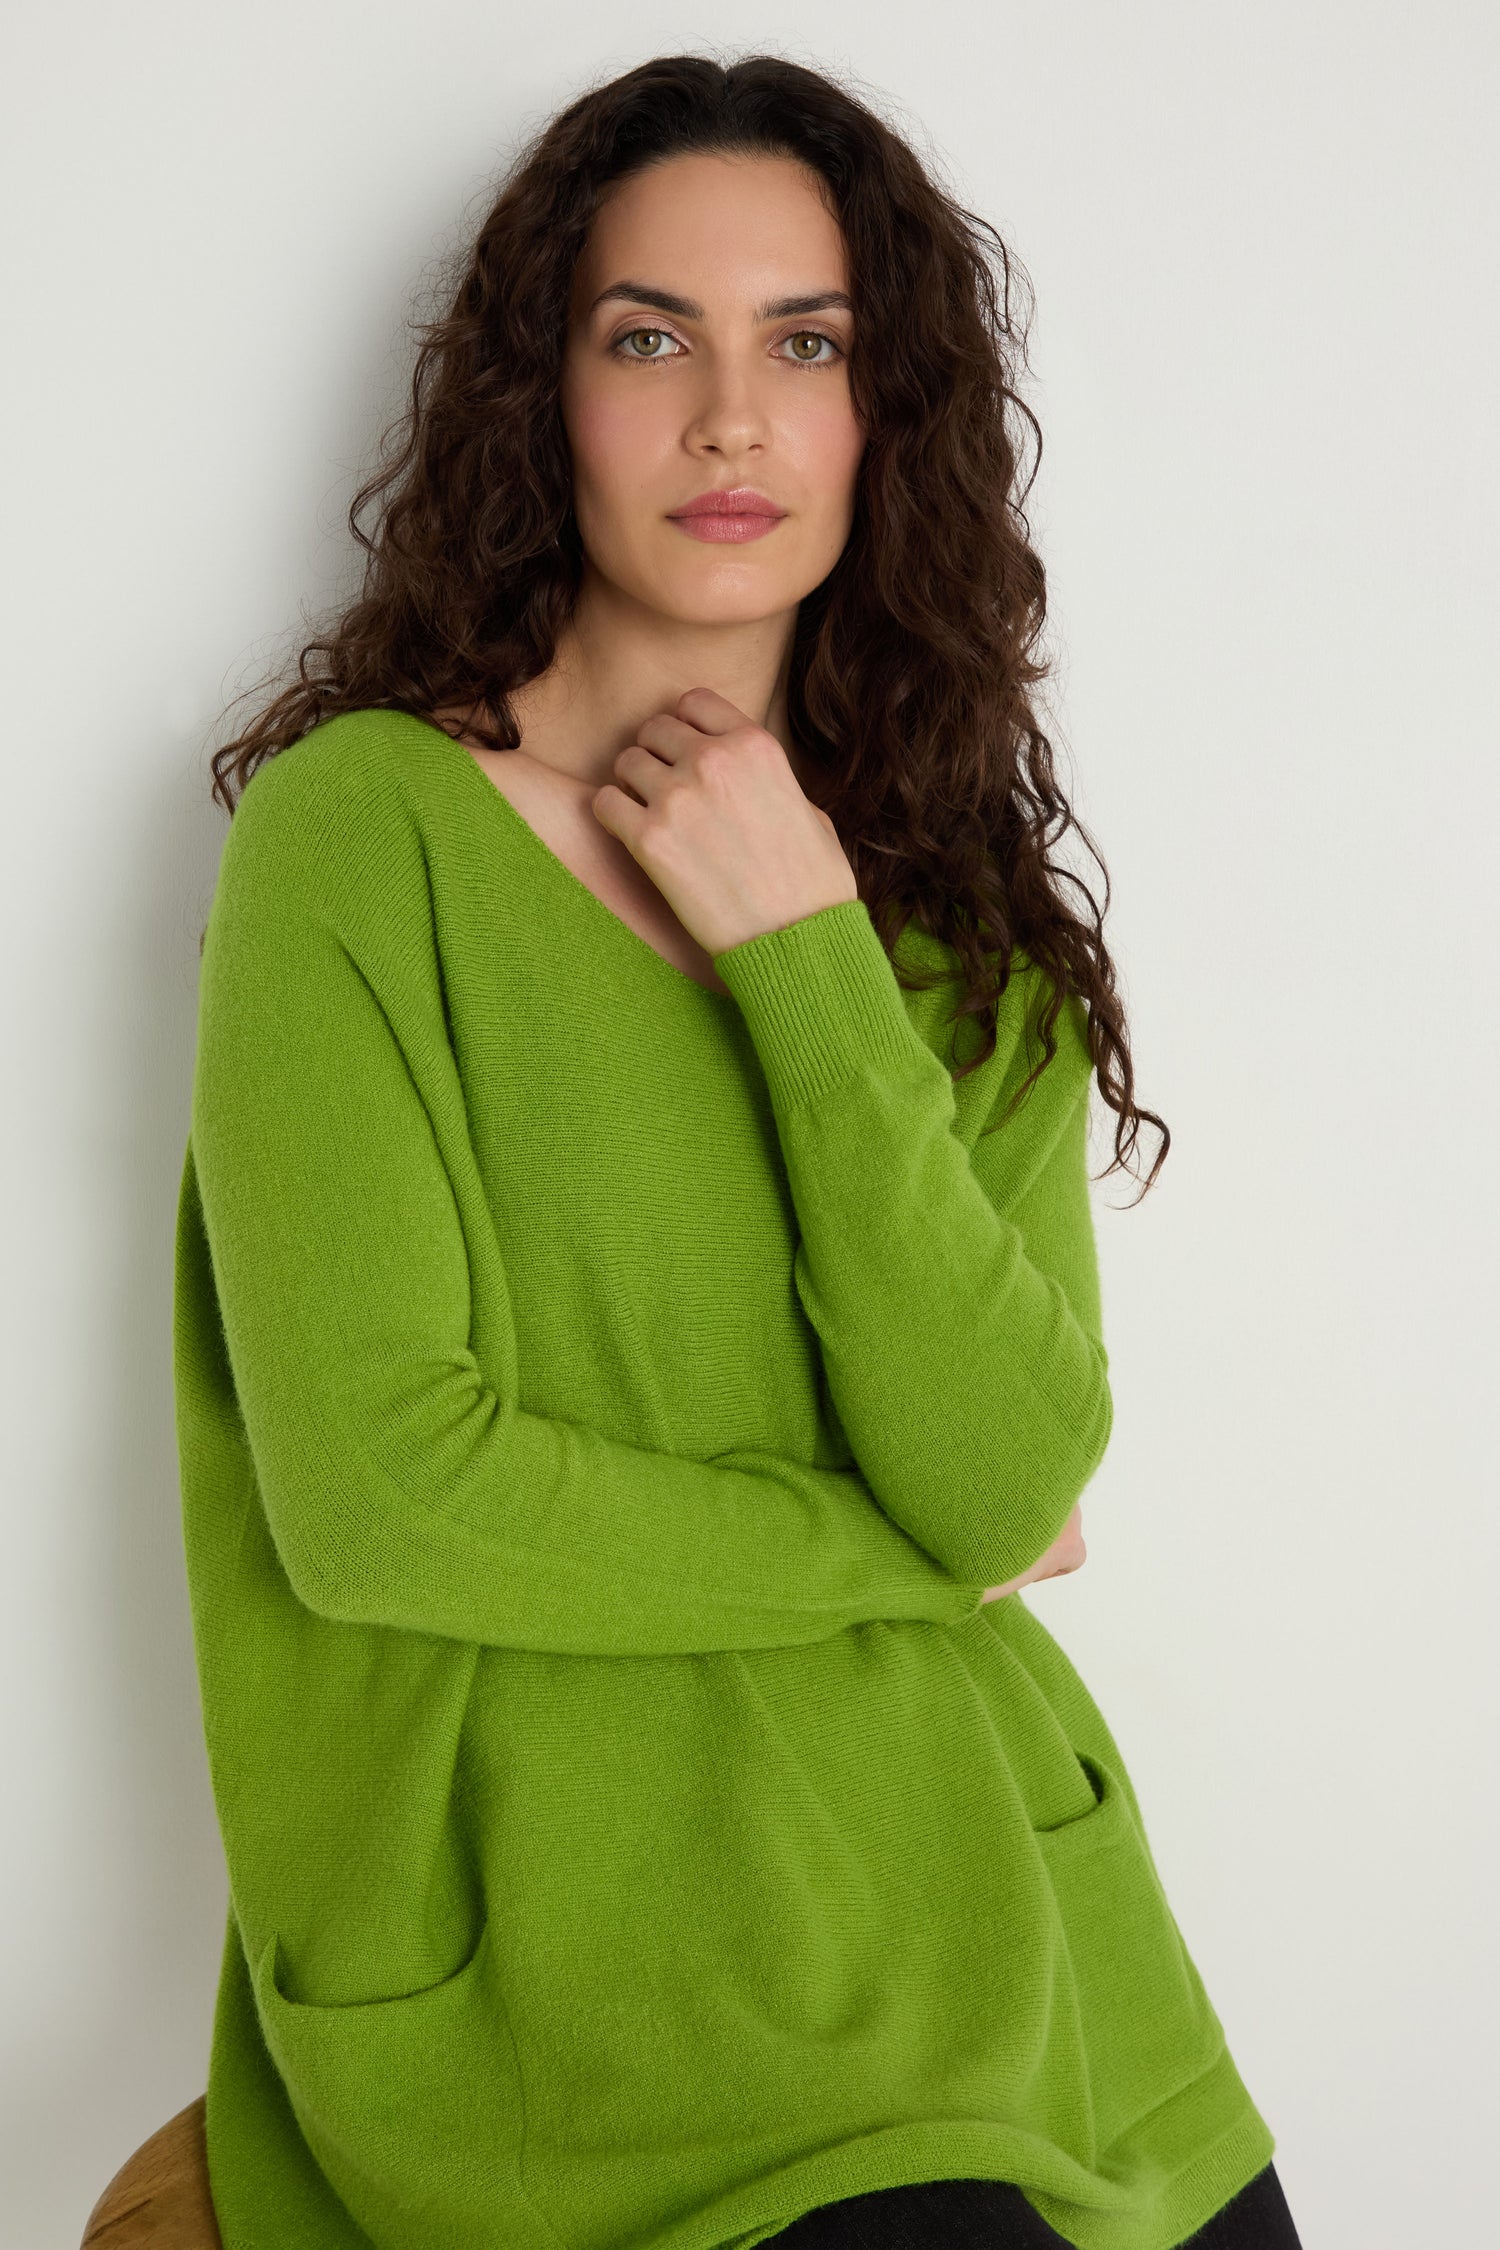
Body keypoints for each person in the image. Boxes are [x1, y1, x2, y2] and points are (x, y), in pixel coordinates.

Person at [176, 50, 1303, 2250]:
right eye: (646, 340)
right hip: (590, 1992)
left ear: (893, 423)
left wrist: (803, 958)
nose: (728, 420)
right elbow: (390, 1498)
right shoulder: (365, 835)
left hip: (1029, 1947)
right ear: (542, 398)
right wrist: (896, 1561)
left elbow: (1001, 1476)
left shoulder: (958, 942)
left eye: (809, 346)